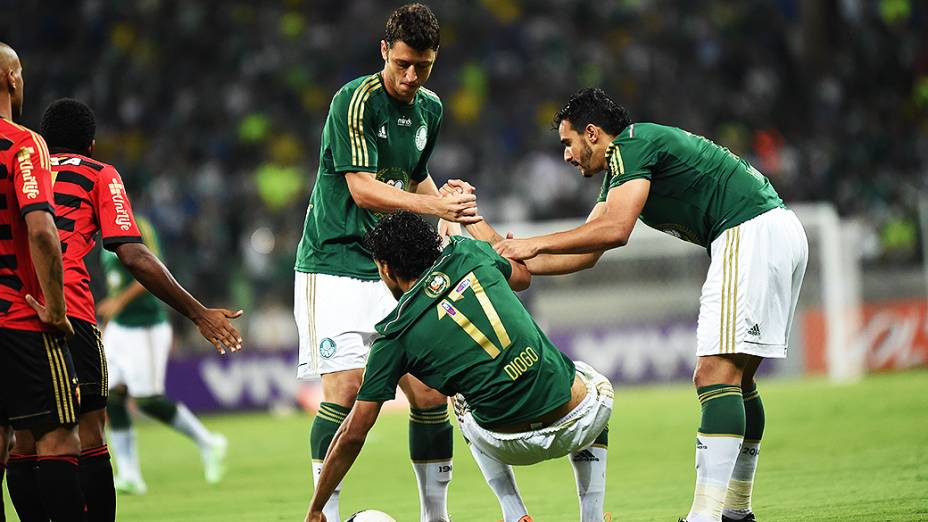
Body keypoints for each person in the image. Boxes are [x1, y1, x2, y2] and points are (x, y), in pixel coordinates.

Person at [462, 88, 808, 522]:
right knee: (737, 380)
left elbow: (615, 230)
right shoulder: (624, 168)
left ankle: (706, 516)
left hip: (748, 231)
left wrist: (530, 244)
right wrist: (489, 236)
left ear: (593, 134)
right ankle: (736, 511)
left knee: (714, 374)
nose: (567, 156)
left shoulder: (630, 144)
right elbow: (584, 254)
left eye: (568, 144)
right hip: (775, 230)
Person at [292, 5, 481, 522]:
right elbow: (363, 190)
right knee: (347, 389)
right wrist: (432, 207)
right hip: (332, 264)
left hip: (391, 269)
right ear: (384, 51)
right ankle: (324, 514)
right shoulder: (354, 102)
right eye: (402, 63)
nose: (411, 76)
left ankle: (435, 516)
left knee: (429, 389)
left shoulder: (431, 110)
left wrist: (449, 206)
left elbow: (413, 177)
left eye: (422, 66)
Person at [305, 212, 613, 522]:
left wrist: (317, 507)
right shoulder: (466, 252)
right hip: (577, 421)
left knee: (462, 399)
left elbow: (354, 433)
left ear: (385, 268)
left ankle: (515, 513)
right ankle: (592, 515)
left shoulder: (393, 336)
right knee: (587, 378)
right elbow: (523, 277)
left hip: (508, 444)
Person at [38, 98, 243, 509]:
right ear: (92, 146)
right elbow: (135, 256)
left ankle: (203, 443)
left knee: (25, 438)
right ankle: (128, 472)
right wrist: (198, 312)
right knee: (93, 425)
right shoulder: (100, 178)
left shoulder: (24, 173)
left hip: (32, 316)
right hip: (73, 316)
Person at [0, 41, 86, 522]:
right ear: (12, 79)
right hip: (18, 314)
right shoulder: (23, 143)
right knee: (58, 438)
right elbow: (41, 229)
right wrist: (55, 308)